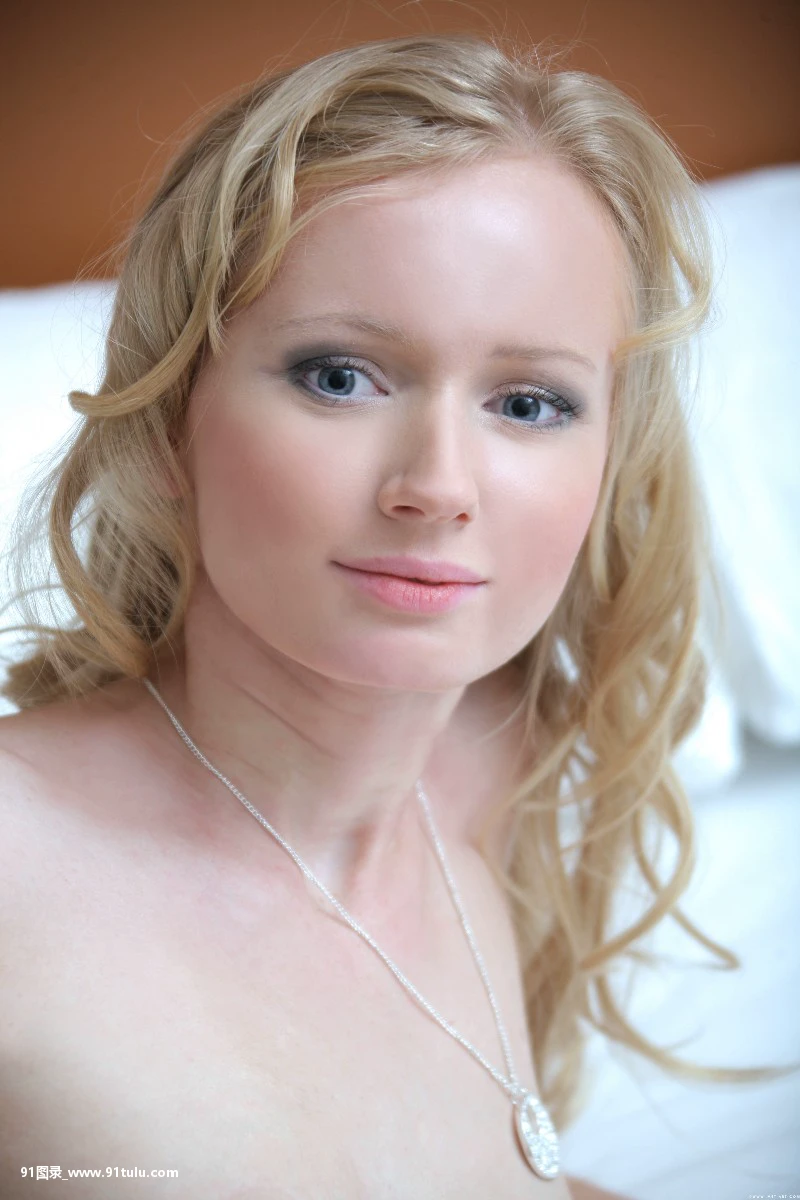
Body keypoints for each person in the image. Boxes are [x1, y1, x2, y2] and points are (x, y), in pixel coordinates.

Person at [0, 31, 786, 1200]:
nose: (437, 485)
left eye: (528, 403)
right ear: (166, 422)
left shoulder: (497, 766)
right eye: (338, 376)